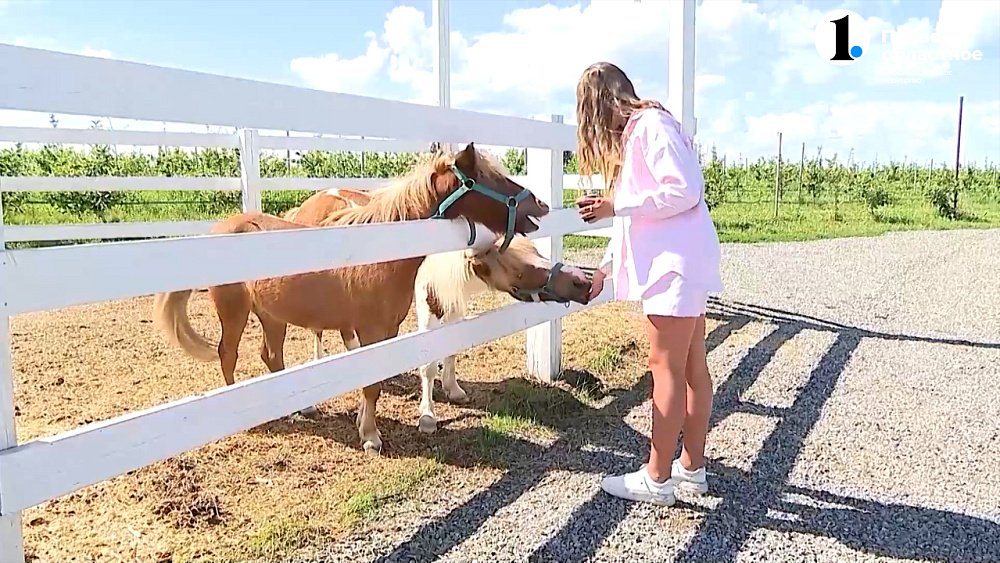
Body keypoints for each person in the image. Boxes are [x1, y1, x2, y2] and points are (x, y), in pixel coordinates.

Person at [574, 61, 723, 506]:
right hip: (681, 264)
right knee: (692, 368)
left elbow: (684, 189)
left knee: (667, 369)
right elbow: (635, 218)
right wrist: (603, 270)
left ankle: (657, 478)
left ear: (600, 105)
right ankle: (691, 469)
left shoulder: (651, 126)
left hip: (672, 268)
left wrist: (615, 203)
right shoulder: (643, 131)